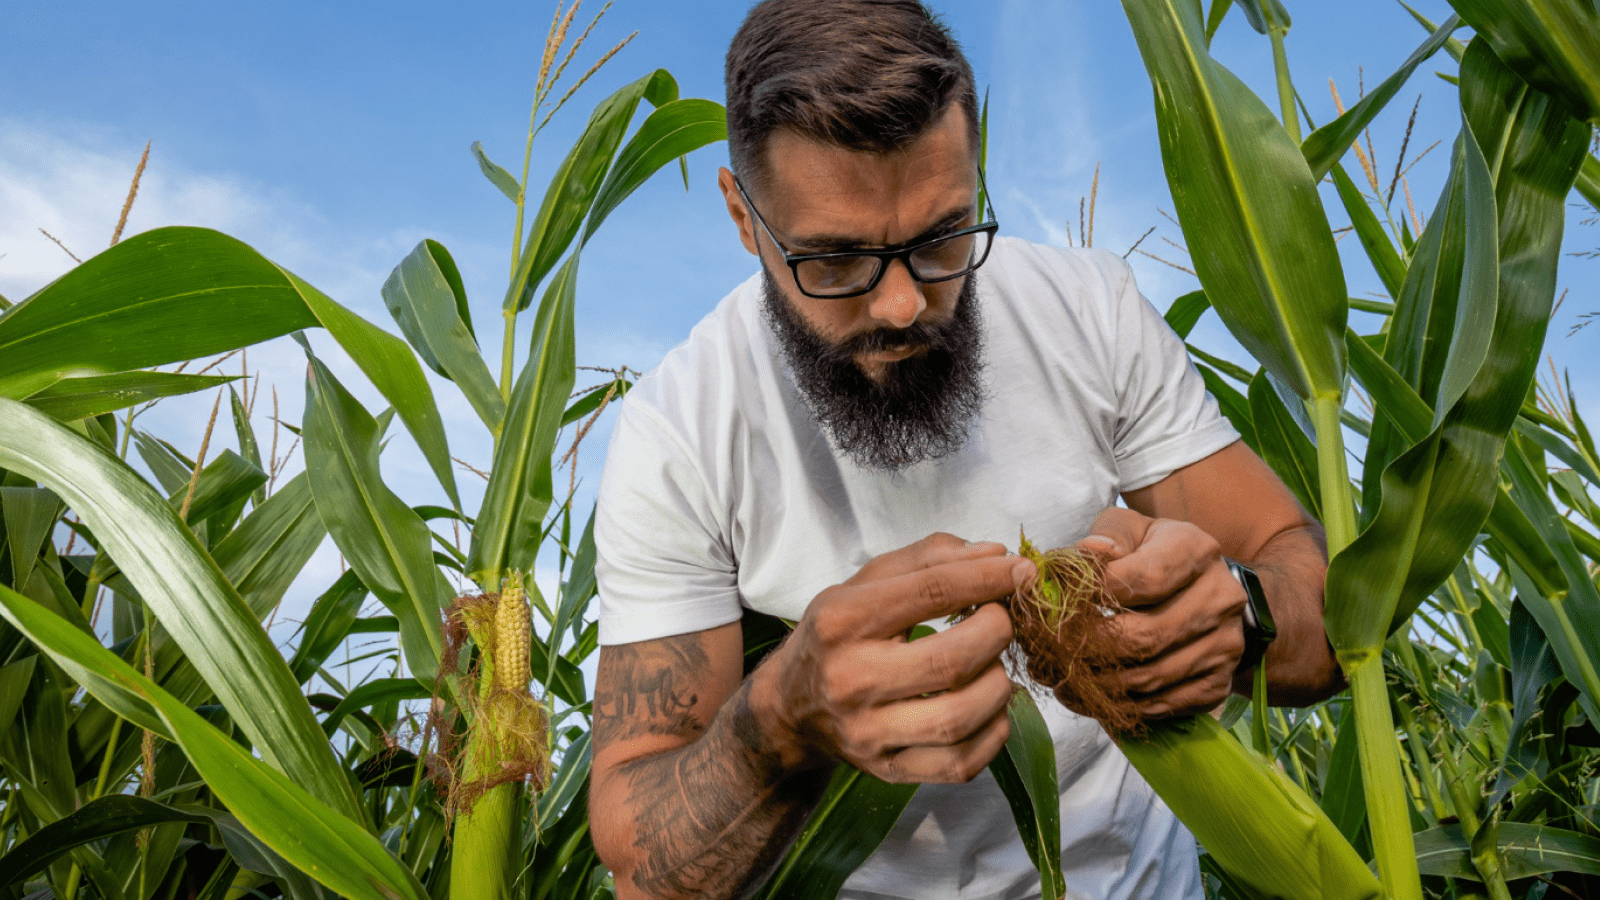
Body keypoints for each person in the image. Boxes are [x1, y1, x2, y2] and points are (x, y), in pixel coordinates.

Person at [587, 1, 1343, 897]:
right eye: (835, 263)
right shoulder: (680, 433)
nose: (902, 304)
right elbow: (641, 861)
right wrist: (781, 721)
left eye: (943, 238)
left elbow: (1323, 613)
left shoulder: (1089, 313)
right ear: (744, 218)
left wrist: (1243, 617)